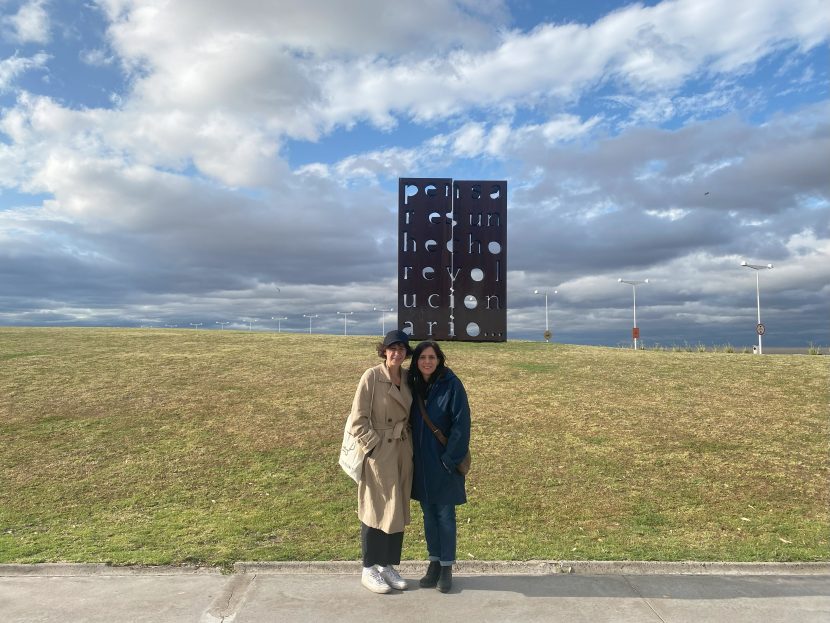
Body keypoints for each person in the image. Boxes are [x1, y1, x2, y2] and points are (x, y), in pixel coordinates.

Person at [347, 329, 414, 594]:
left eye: (402, 349)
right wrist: (372, 447)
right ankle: (368, 568)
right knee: (374, 508)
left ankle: (387, 565)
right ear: (384, 350)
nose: (397, 353)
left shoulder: (409, 378)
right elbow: (357, 418)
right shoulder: (371, 377)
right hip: (379, 452)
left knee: (396, 509)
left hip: (402, 450)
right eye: (392, 348)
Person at [407, 340, 470, 593]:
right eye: (423, 357)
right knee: (428, 516)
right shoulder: (413, 386)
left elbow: (461, 424)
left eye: (432, 357)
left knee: (445, 516)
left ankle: (446, 566)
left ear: (439, 359)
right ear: (417, 361)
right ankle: (433, 562)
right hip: (421, 465)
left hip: (444, 463)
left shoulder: (452, 385)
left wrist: (449, 459)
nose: (427, 362)